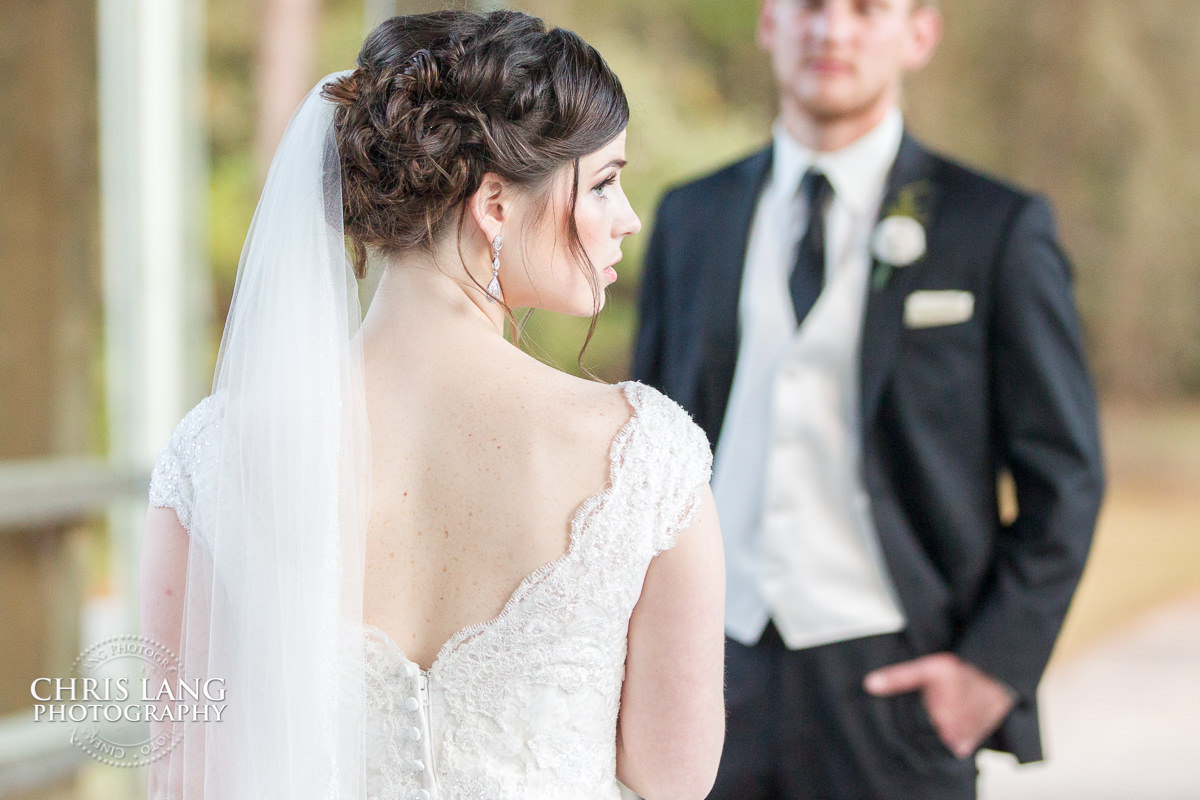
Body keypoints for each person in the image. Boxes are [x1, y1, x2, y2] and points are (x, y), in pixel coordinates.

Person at [139, 10, 725, 800]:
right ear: (494, 205)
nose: (628, 220)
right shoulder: (645, 459)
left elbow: (185, 777)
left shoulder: (213, 456)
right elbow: (672, 780)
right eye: (605, 183)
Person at [632, 0, 1104, 798]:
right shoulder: (692, 215)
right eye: (810, 6)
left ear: (920, 33)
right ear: (769, 23)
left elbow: (1068, 477)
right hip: (710, 669)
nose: (833, 30)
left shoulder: (995, 227)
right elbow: (645, 452)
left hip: (896, 687)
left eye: (865, 8)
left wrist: (990, 671)